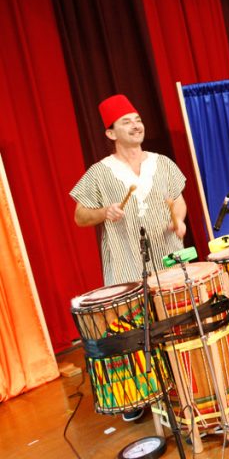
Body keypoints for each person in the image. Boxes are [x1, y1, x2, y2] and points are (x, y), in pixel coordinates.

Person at [70, 94, 187, 421]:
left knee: (173, 320)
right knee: (133, 331)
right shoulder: (99, 172)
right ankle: (138, 394)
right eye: (126, 121)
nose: (136, 124)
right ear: (111, 134)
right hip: (125, 264)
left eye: (137, 118)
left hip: (168, 258)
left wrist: (179, 219)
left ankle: (181, 379)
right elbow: (80, 216)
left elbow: (177, 200)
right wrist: (103, 212)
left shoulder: (161, 163)